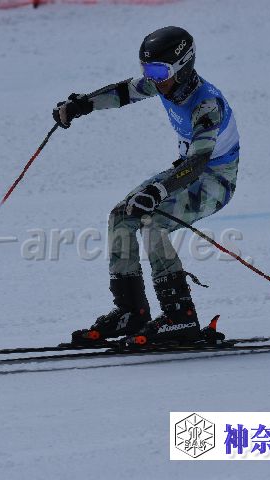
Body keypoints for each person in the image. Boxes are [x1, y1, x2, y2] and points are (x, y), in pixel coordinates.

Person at [53, 26, 240, 345]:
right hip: (183, 173)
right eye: (146, 69)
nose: (152, 78)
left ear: (182, 66)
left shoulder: (206, 104)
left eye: (158, 71)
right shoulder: (165, 84)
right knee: (121, 215)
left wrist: (159, 191)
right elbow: (124, 92)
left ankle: (180, 317)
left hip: (214, 180)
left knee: (153, 222)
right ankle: (131, 311)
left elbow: (199, 162)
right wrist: (81, 105)